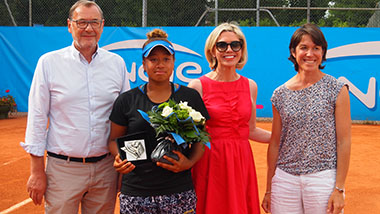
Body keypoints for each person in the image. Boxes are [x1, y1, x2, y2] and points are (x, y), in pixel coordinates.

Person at [20, 1, 130, 213]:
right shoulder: (49, 63)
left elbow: (125, 119)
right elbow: (37, 117)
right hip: (63, 170)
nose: (88, 28)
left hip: (106, 170)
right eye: (81, 22)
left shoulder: (117, 64)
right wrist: (36, 171)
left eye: (94, 22)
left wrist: (122, 171)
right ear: (69, 25)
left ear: (102, 26)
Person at [107, 28, 209, 214]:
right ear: (143, 64)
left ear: (174, 63)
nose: (159, 64)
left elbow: (200, 140)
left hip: (179, 191)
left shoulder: (190, 97)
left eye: (165, 59)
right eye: (153, 59)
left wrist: (189, 163)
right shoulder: (127, 100)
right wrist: (120, 157)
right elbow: (114, 140)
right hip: (136, 193)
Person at [261, 23, 351, 214]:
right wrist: (269, 188)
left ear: (323, 52)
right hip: (285, 180)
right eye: (304, 48)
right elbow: (276, 142)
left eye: (316, 48)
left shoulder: (337, 89)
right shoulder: (279, 94)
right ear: (293, 52)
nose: (310, 54)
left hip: (323, 179)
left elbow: (344, 141)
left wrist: (339, 188)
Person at [188, 22, 271, 214]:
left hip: (241, 162)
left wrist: (283, 137)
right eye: (222, 45)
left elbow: (250, 130)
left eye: (235, 45)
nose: (229, 50)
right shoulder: (197, 86)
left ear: (242, 50)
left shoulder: (250, 86)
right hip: (209, 162)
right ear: (212, 50)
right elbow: (189, 134)